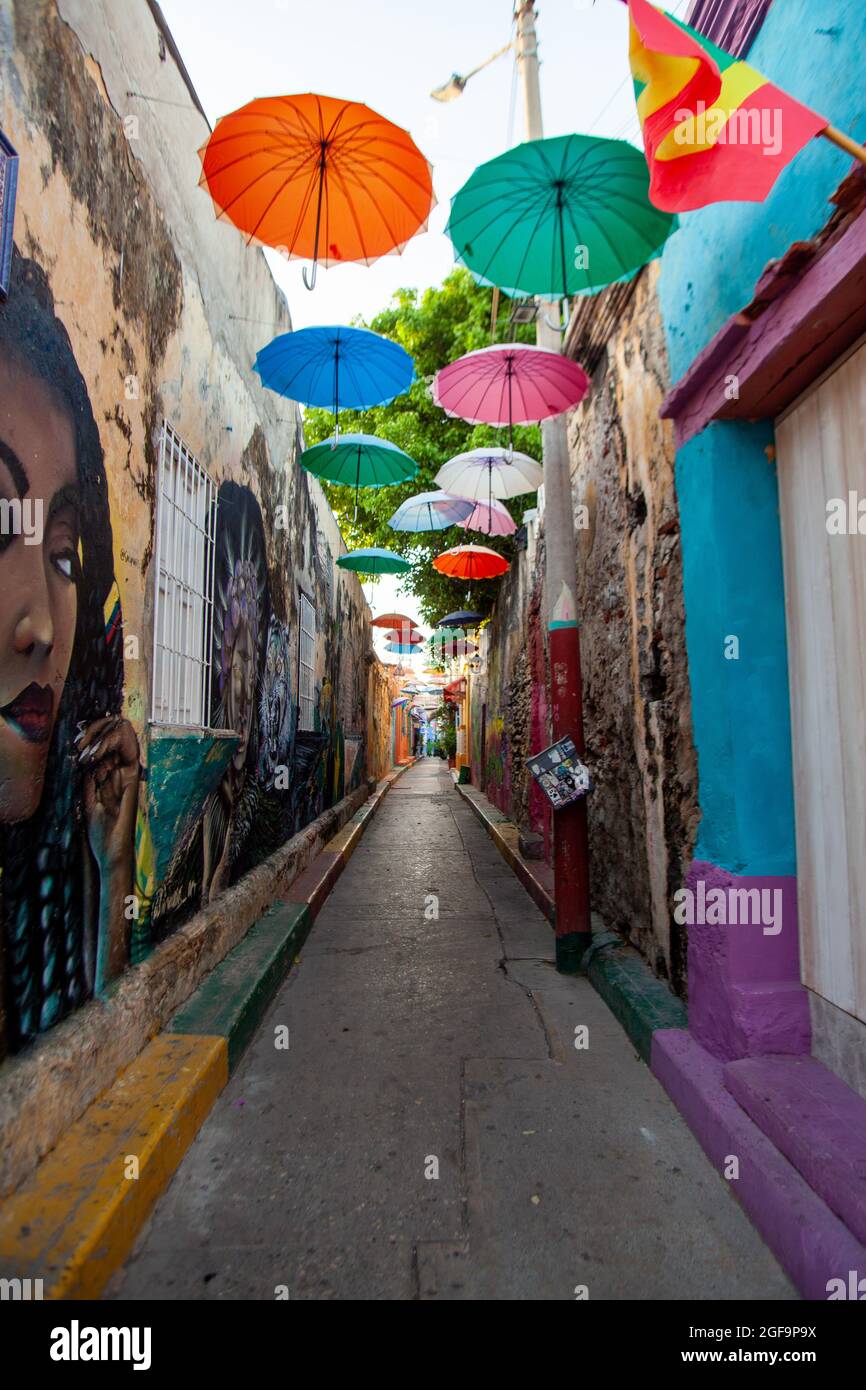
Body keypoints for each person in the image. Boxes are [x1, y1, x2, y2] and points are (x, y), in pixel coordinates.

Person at [0, 253, 139, 1053]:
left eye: (63, 557)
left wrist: (112, 866)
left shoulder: (47, 882)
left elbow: (105, 1068)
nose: (46, 629)